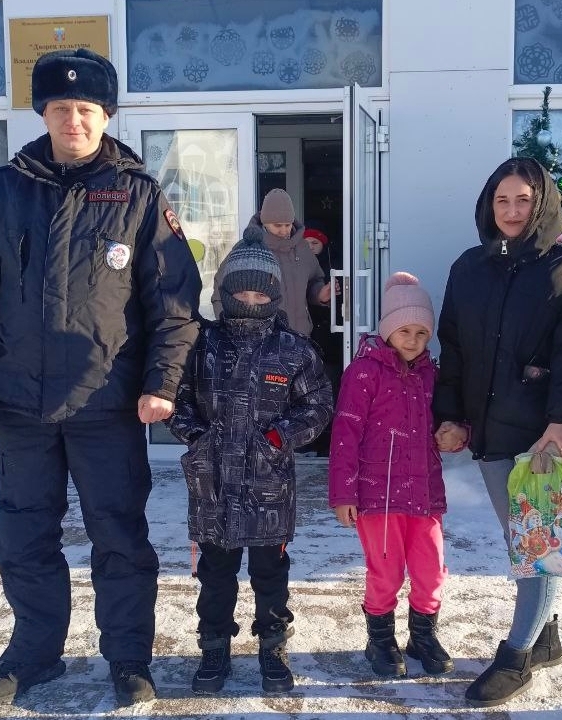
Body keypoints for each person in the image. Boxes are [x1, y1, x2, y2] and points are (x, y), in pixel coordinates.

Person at [0, 48, 202, 709]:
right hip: (21, 405)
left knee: (119, 538)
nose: (73, 120)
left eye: (86, 109)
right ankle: (34, 654)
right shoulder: (4, 191)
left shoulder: (137, 196)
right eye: (61, 108)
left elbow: (174, 301)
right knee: (25, 536)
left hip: (105, 405)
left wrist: (163, 382)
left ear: (105, 115)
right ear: (43, 113)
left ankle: (129, 659)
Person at [432, 156, 562, 707]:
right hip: (490, 429)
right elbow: (453, 346)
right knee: (521, 538)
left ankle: (518, 656)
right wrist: (450, 414)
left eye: (524, 200)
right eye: (503, 200)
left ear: (542, 204)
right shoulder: (469, 267)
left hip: (543, 435)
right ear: (489, 204)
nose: (512, 210)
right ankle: (545, 639)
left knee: (537, 546)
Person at [167, 226, 333, 695]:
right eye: (240, 292)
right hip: (213, 485)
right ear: (224, 293)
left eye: (261, 294)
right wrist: (196, 437)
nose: (250, 301)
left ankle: (272, 645)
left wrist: (280, 437)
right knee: (215, 576)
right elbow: (176, 398)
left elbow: (318, 404)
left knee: (270, 575)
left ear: (275, 296)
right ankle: (214, 645)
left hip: (269, 487)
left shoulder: (293, 350)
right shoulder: (201, 345)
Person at [329, 272, 451, 678]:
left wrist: (456, 433)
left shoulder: (431, 374)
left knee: (431, 568)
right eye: (404, 330)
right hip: (377, 496)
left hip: (425, 494)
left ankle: (423, 635)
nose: (413, 340)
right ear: (387, 330)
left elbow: (446, 422)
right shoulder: (365, 372)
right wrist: (343, 494)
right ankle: (380, 639)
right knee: (385, 571)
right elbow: (346, 432)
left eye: (421, 332)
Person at [212, 189, 331, 337]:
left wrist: (319, 294)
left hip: (300, 338)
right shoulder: (248, 248)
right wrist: (230, 328)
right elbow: (221, 290)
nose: (284, 230)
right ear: (265, 223)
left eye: (288, 225)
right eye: (278, 225)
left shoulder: (302, 248)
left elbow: (314, 280)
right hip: (260, 340)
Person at [303, 225, 343, 456]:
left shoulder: (333, 268)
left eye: (315, 243)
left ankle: (327, 439)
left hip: (330, 340)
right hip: (307, 337)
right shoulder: (298, 267)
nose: (310, 248)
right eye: (306, 243)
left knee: (330, 387)